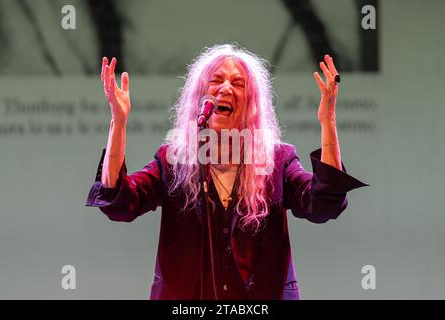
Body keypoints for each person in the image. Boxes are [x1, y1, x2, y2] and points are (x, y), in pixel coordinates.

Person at [85, 44, 367, 300]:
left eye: (238, 83)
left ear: (252, 102)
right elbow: (120, 203)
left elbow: (322, 205)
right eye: (216, 81)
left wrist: (328, 120)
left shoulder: (277, 160)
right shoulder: (174, 160)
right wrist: (117, 123)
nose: (225, 89)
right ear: (199, 97)